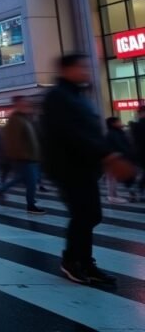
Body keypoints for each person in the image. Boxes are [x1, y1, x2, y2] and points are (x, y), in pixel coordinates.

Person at [42, 54, 136, 285]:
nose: (85, 71)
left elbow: (90, 132)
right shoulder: (57, 97)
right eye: (80, 67)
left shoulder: (77, 96)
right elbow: (72, 133)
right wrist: (108, 155)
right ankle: (73, 261)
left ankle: (84, 261)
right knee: (84, 214)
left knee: (90, 215)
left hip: (85, 166)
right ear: (66, 69)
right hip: (68, 167)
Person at [0, 96, 45, 214]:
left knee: (23, 178)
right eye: (23, 103)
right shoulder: (15, 120)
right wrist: (23, 155)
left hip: (31, 157)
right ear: (17, 105)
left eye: (26, 103)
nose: (26, 105)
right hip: (25, 158)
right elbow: (13, 141)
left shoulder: (25, 118)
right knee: (31, 182)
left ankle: (0, 190)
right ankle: (31, 206)